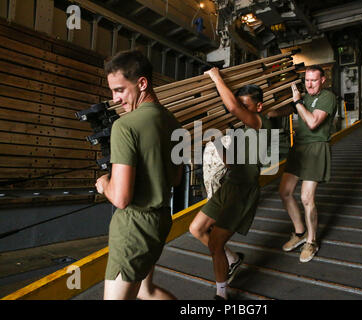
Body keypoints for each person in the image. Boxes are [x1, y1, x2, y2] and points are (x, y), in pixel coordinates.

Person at [95, 50, 182, 300]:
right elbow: (175, 178)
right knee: (148, 291)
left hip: (134, 229)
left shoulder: (125, 126)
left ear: (142, 83)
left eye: (120, 90)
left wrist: (105, 183)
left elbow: (121, 198)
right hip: (160, 221)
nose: (115, 98)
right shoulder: (174, 122)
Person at [189, 67, 272, 300]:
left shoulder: (259, 123)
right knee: (196, 229)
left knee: (215, 244)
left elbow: (233, 107)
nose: (241, 111)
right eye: (242, 106)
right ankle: (232, 259)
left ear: (258, 107)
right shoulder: (244, 131)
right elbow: (231, 163)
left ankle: (221, 294)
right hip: (230, 185)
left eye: (247, 106)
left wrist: (216, 77)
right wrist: (214, 143)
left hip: (243, 191)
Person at [267, 65, 336, 263]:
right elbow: (276, 113)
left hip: (316, 148)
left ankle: (312, 241)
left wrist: (297, 101)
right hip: (298, 148)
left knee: (307, 198)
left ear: (323, 80)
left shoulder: (327, 97)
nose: (310, 84)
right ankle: (300, 233)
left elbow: (313, 122)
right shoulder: (304, 98)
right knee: (285, 191)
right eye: (307, 80)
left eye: (314, 80)